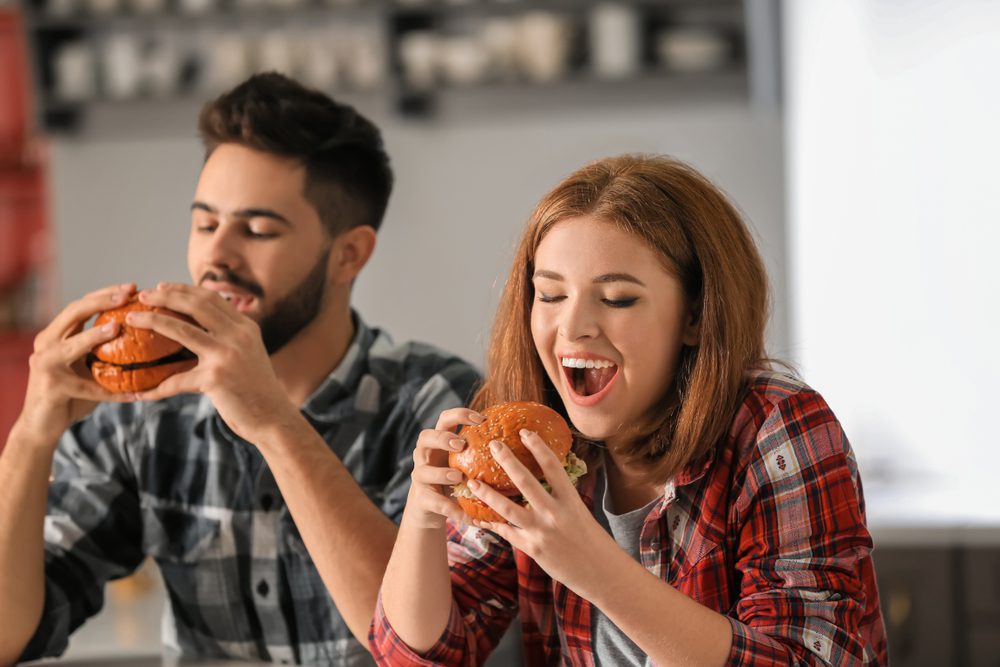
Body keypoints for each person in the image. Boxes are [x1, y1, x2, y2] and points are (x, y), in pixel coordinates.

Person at [0, 72, 480, 666]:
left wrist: (274, 424)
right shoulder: (147, 415)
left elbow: (427, 651)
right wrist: (31, 436)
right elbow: (6, 635)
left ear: (348, 254)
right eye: (205, 224)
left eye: (256, 230)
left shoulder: (441, 409)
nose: (216, 257)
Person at [372, 155, 889, 666]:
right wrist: (423, 515)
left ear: (695, 316)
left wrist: (596, 570)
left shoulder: (777, 429)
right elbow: (418, 656)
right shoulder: (534, 441)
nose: (572, 327)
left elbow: (811, 659)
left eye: (617, 299)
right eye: (550, 295)